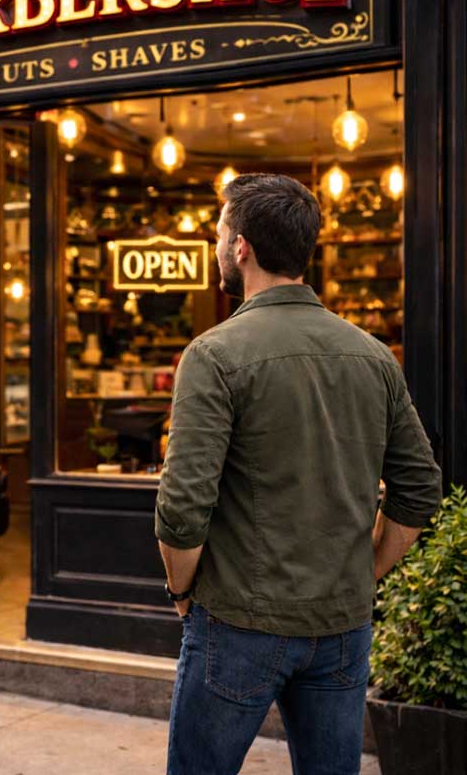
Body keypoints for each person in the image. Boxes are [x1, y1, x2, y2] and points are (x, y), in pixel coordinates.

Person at [155, 173, 442, 775]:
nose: (217, 246)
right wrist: (363, 574)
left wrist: (182, 594)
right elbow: (419, 490)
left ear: (241, 248)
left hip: (238, 621)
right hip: (341, 624)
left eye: (219, 234)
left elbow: (181, 511)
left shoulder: (213, 354)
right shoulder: (372, 355)